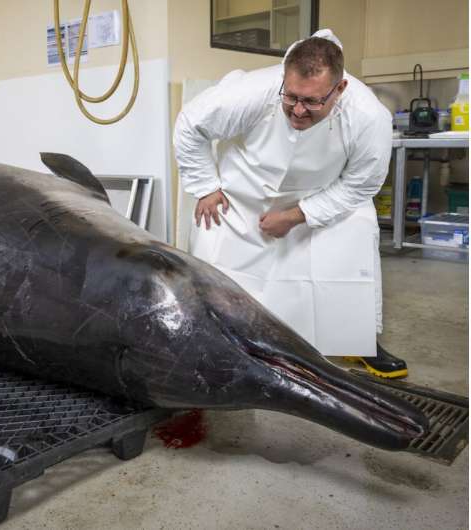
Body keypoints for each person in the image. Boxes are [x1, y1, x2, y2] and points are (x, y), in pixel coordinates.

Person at [173, 29, 407, 378]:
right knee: (217, 256)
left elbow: (361, 184)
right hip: (244, 195)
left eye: (312, 102)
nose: (298, 110)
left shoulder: (369, 117)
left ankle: (355, 341)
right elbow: (191, 125)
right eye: (291, 97)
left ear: (340, 89)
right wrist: (206, 187)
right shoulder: (253, 91)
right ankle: (221, 342)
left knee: (354, 234)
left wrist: (298, 216)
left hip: (324, 197)